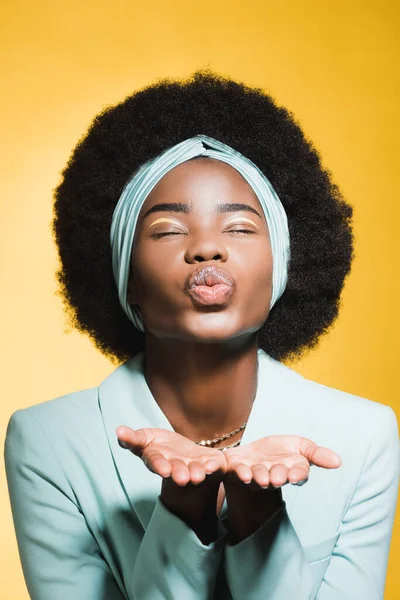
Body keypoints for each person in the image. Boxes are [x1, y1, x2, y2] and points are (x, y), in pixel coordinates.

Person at [4, 69, 399, 600]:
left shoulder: (363, 435)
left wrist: (259, 520)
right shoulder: (47, 440)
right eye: (168, 230)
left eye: (238, 228)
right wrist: (184, 513)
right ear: (125, 278)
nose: (207, 249)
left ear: (285, 270)